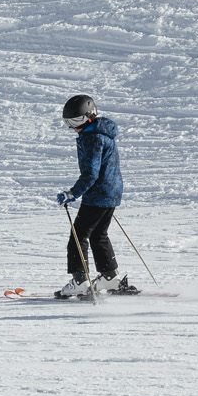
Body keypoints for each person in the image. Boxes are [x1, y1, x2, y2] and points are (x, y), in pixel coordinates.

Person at [55, 95, 136, 299]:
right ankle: (110, 277)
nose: (74, 127)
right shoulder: (102, 133)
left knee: (78, 236)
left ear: (90, 116)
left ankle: (81, 281)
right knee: (99, 235)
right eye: (69, 123)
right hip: (111, 191)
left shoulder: (92, 138)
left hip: (98, 194)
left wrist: (73, 193)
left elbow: (91, 173)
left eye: (76, 122)